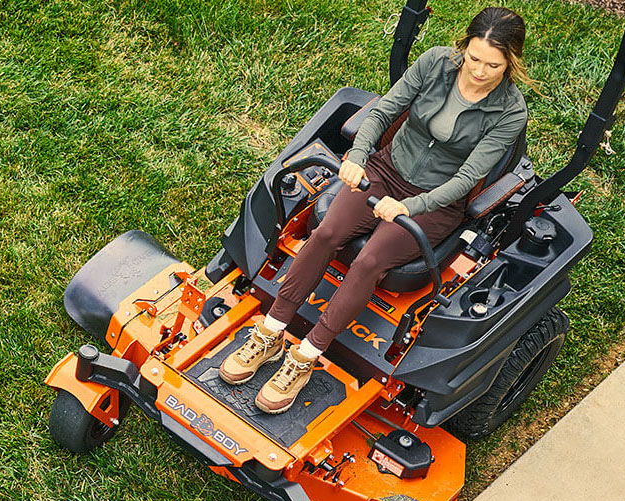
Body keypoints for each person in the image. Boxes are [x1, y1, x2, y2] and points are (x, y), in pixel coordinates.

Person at [220, 6, 533, 414]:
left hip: (436, 202)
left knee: (369, 260)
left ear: (510, 62)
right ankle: (270, 332)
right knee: (326, 234)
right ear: (464, 46)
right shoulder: (435, 63)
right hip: (385, 169)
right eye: (474, 58)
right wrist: (358, 155)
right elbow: (384, 111)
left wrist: (409, 206)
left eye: (493, 65)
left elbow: (467, 177)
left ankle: (306, 356)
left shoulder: (510, 111)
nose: (479, 71)